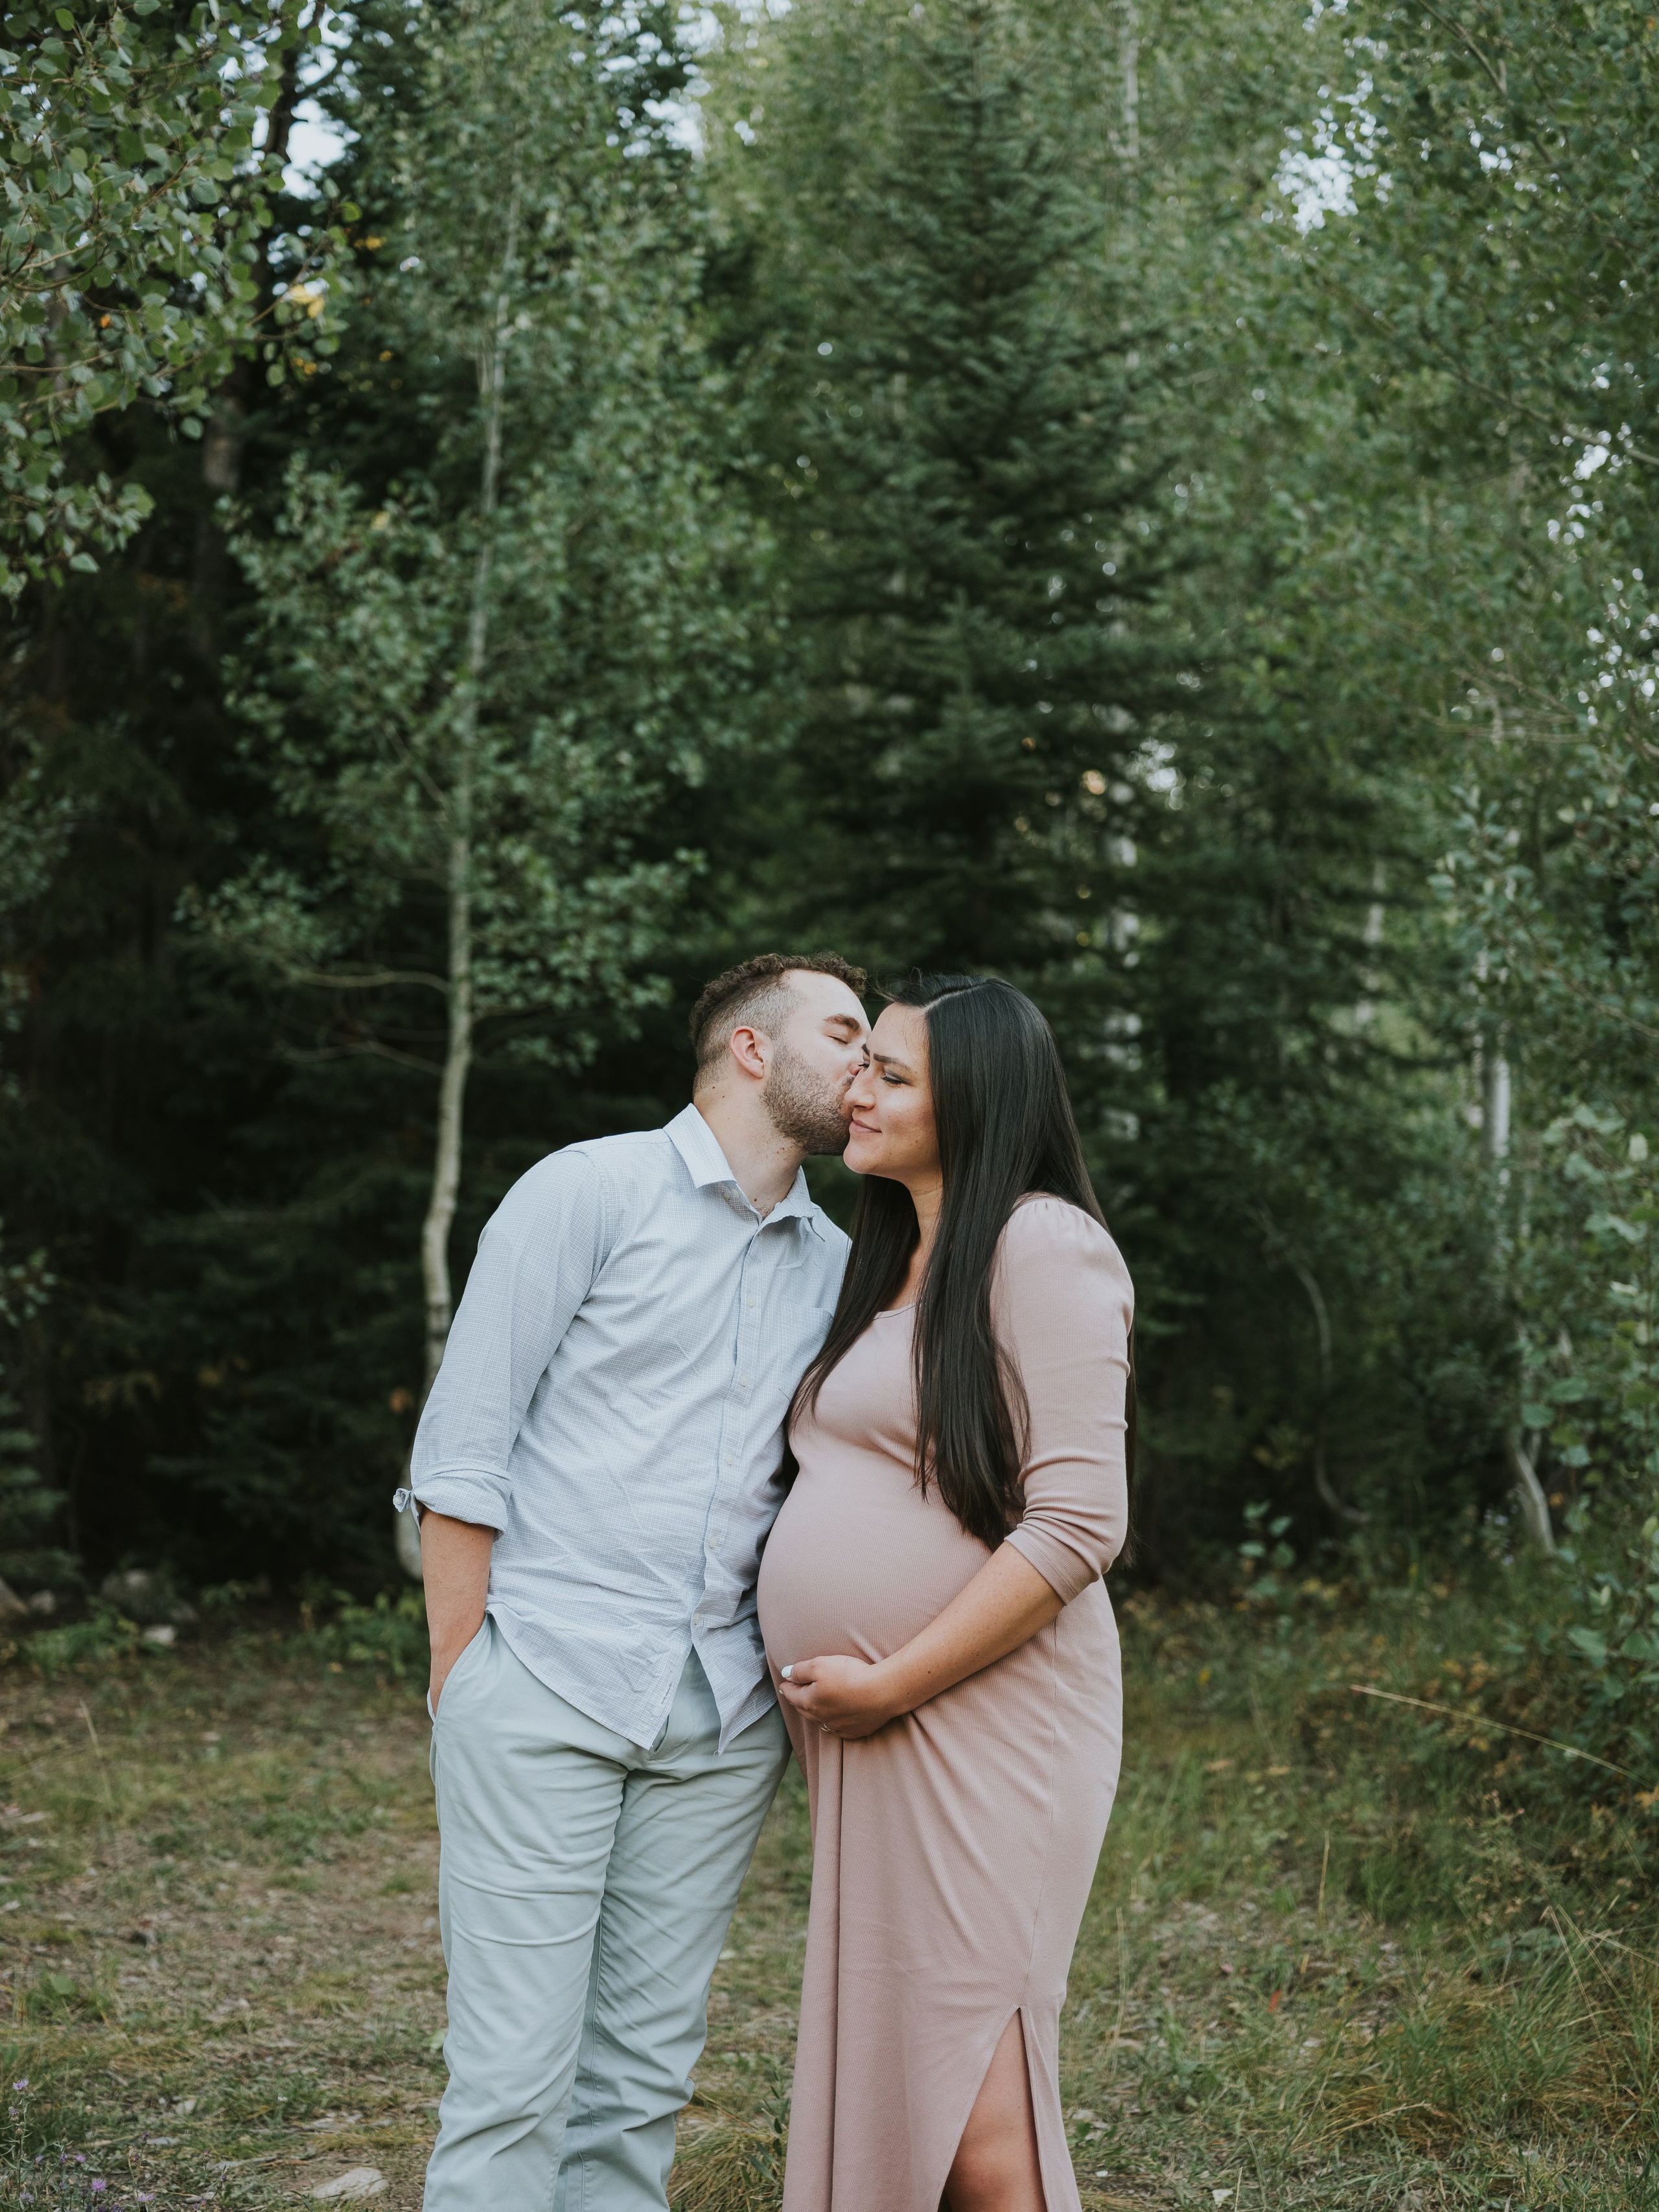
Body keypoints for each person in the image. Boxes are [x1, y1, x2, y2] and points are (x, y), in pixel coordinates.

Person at [400, 953, 870, 2212]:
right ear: (751, 1050)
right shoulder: (587, 1189)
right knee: (510, 2087)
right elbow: (462, 1444)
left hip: (718, 1719)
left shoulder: (833, 1265)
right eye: (842, 1031)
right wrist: (466, 1674)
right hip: (543, 1679)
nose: (866, 1061)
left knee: (641, 2088)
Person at [758, 973, 1134, 2212]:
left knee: (977, 2101)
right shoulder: (892, 1261)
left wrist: (893, 1681)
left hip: (984, 1724)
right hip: (880, 1731)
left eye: (892, 1074)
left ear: (973, 1100)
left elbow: (1082, 1519)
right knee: (909, 2084)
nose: (856, 1088)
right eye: (862, 1062)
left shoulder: (1044, 1242)